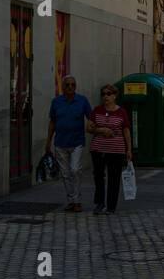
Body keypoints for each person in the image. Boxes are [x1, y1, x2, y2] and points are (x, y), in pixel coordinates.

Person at [46, 76, 91, 213]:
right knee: (65, 174)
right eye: (68, 85)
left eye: (73, 85)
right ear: (63, 87)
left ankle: (77, 201)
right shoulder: (56, 102)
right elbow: (52, 122)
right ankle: (71, 201)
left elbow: (91, 118)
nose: (70, 87)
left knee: (75, 170)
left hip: (77, 142)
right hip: (60, 143)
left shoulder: (82, 101)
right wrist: (48, 141)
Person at [86, 83, 132, 215]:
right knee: (98, 177)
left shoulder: (121, 112)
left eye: (108, 94)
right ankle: (100, 203)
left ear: (115, 96)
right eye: (103, 94)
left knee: (114, 178)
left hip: (116, 150)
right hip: (98, 149)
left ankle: (111, 206)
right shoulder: (97, 111)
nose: (105, 97)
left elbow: (126, 131)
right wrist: (101, 130)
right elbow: (89, 128)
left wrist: (128, 150)